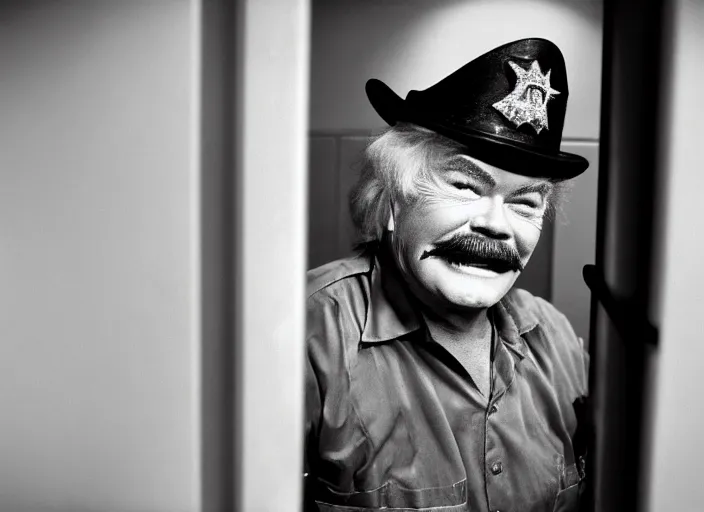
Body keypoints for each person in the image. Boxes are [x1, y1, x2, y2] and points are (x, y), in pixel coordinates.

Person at [304, 38, 590, 512]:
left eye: (524, 203)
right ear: (392, 200)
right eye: (464, 185)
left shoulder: (556, 338)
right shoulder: (309, 334)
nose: (496, 226)